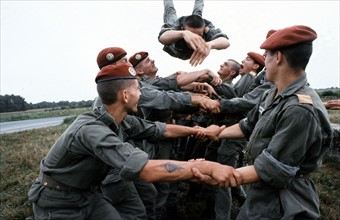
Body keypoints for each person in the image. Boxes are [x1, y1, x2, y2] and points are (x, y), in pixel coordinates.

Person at [27, 62, 242, 220]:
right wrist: (201, 167)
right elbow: (146, 170)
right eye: (138, 89)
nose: (142, 94)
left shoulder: (121, 120)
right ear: (125, 96)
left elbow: (161, 130)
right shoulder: (92, 130)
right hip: (57, 202)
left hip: (88, 195)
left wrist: (198, 131)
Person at [194, 25, 333, 219]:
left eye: (266, 55)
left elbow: (273, 168)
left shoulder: (299, 109)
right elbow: (247, 126)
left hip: (284, 198)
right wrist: (216, 133)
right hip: (261, 188)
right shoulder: (272, 94)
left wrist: (221, 175)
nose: (264, 61)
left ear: (277, 57)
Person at [159, 0, 230, 66]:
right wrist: (183, 33)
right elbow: (162, 38)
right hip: (177, 42)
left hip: (196, 22)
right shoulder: (176, 27)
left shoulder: (207, 30)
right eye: (191, 34)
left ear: (204, 30)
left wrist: (210, 44)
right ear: (182, 28)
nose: (194, 38)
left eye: (199, 35)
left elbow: (226, 42)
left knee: (198, 11)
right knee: (170, 11)